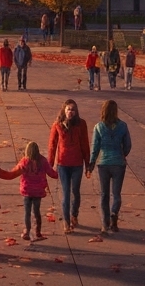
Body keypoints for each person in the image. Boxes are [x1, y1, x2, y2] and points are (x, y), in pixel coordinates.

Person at [88, 99, 132, 234]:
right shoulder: (123, 126)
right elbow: (128, 145)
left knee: (104, 194)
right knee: (116, 193)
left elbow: (95, 147)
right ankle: (114, 213)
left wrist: (91, 163)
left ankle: (104, 223)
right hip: (118, 163)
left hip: (104, 163)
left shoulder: (99, 127)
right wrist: (122, 153)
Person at [47, 99, 91, 234]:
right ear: (64, 110)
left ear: (76, 111)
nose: (70, 112)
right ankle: (66, 221)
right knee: (65, 194)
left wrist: (88, 164)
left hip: (77, 164)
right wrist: (49, 165)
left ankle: (74, 215)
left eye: (73, 109)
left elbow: (85, 144)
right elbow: (52, 145)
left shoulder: (81, 124)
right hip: (63, 164)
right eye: (68, 109)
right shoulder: (57, 125)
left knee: (75, 192)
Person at [11, 141, 58, 241]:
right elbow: (51, 173)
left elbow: (14, 172)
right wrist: (60, 174)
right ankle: (38, 232)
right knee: (37, 212)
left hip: (27, 190)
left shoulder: (24, 161)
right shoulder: (43, 161)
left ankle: (27, 231)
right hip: (38, 191)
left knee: (27, 212)